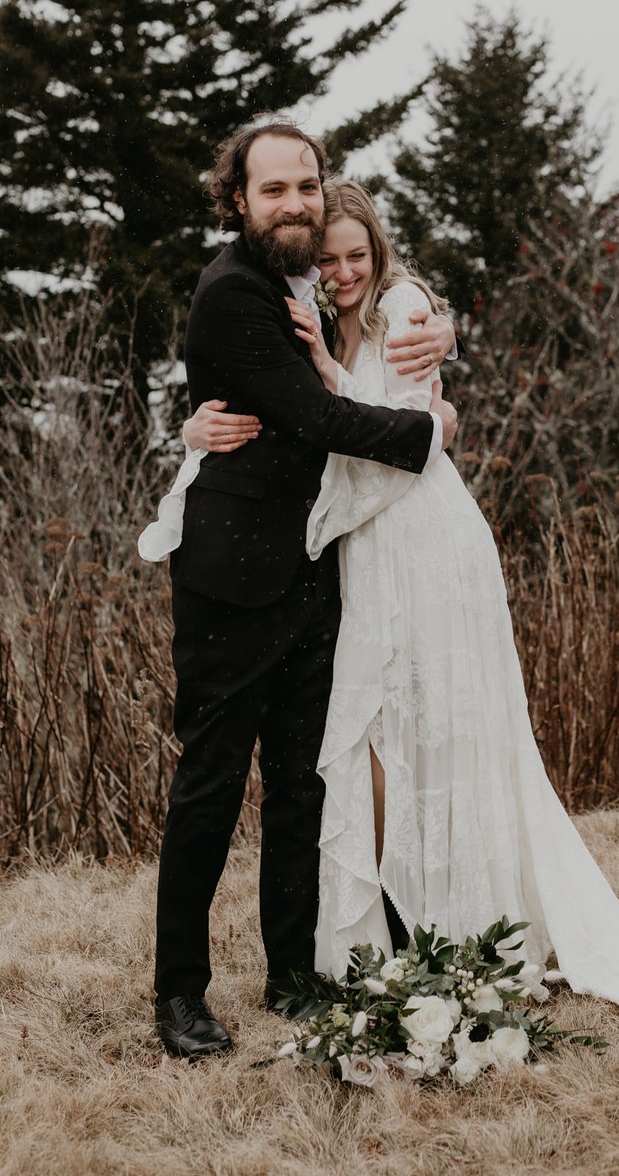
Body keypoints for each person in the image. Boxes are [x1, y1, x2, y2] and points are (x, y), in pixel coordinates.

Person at [182, 179, 619, 1075]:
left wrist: (389, 395)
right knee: (384, 734)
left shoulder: (403, 307)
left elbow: (397, 431)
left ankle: (453, 919)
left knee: (434, 728)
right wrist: (201, 426)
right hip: (373, 553)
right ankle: (403, 920)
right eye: (329, 258)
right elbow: (318, 416)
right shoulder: (320, 319)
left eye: (357, 254)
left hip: (422, 546)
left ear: (380, 254)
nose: (344, 269)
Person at [142, 120, 458, 1061]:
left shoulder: (303, 281)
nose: (295, 203)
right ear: (236, 199)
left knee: (298, 791)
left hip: (314, 579)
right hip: (231, 585)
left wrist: (443, 341)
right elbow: (314, 412)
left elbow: (374, 329)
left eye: (306, 187)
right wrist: (431, 435)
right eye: (273, 189)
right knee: (206, 789)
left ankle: (291, 974)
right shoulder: (234, 291)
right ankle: (179, 995)